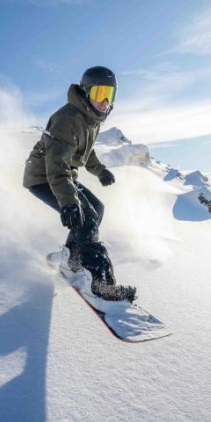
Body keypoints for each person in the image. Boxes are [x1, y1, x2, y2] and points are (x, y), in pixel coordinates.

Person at [23, 66, 136, 302]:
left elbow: (86, 150)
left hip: (63, 175)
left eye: (110, 94)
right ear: (85, 92)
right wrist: (68, 202)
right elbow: (56, 166)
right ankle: (100, 283)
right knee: (86, 217)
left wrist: (100, 171)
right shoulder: (66, 119)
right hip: (44, 177)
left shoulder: (91, 119)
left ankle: (71, 260)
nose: (104, 102)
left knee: (98, 209)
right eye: (99, 93)